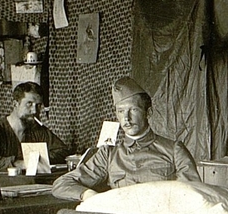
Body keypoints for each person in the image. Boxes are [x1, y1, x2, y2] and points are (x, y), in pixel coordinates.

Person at [51, 77, 200, 201]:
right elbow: (61, 184)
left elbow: (192, 194)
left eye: (133, 110)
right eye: (121, 111)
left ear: (148, 112)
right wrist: (89, 195)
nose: (126, 118)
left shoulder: (174, 150)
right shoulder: (108, 155)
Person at [0, 81, 69, 171]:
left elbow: (62, 151)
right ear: (15, 104)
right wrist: (16, 163)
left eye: (38, 105)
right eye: (29, 104)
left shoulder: (37, 129)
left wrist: (35, 159)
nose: (34, 111)